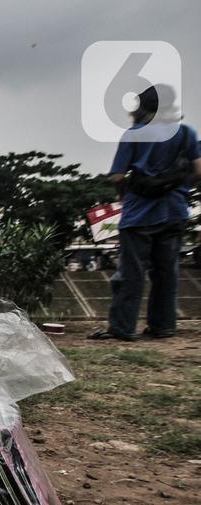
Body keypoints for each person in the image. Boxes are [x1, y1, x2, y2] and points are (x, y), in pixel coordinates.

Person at [90, 85, 200, 341]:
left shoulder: (134, 134)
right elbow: (198, 170)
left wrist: (123, 194)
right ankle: (163, 326)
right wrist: (178, 186)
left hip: (138, 214)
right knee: (167, 273)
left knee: (131, 274)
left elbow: (118, 175)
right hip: (174, 210)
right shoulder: (185, 133)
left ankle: (123, 328)